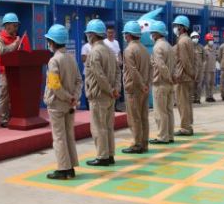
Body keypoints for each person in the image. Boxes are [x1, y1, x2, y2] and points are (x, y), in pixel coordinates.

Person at [43, 24, 83, 180]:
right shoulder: (71, 58)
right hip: (70, 105)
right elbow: (79, 80)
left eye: (49, 41)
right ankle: (70, 167)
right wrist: (74, 97)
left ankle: (63, 169)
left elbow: (54, 85)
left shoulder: (54, 60)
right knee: (69, 136)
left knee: (59, 137)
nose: (48, 43)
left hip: (57, 105)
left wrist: (68, 97)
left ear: (53, 42)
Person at [84, 19, 121, 166]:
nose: (87, 36)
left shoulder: (94, 52)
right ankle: (110, 154)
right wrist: (116, 89)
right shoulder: (110, 51)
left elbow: (99, 75)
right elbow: (118, 71)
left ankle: (102, 156)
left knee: (98, 127)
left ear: (93, 35)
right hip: (110, 96)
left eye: (88, 34)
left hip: (99, 95)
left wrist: (110, 90)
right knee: (108, 127)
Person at [121, 21, 152, 154]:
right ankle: (144, 143)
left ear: (128, 35)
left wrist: (141, 85)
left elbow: (132, 71)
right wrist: (147, 84)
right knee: (143, 116)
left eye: (125, 34)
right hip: (144, 88)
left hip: (134, 88)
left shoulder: (129, 50)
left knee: (134, 117)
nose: (124, 36)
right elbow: (150, 69)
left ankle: (136, 144)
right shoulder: (144, 49)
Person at [0, 12, 25, 127]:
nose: (16, 28)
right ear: (7, 26)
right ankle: (4, 119)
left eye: (17, 25)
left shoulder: (16, 38)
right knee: (4, 96)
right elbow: (2, 51)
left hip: (16, 72)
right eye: (14, 25)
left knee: (15, 96)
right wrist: (15, 45)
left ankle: (14, 117)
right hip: (5, 72)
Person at [149, 21, 176, 145]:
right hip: (169, 84)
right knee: (169, 110)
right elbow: (173, 64)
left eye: (152, 33)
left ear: (156, 34)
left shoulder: (157, 47)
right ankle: (170, 135)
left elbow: (161, 66)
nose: (151, 35)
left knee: (160, 112)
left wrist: (168, 77)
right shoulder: (169, 46)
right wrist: (172, 78)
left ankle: (162, 136)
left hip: (161, 83)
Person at [173, 15, 195, 136]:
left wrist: (190, 73)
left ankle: (185, 127)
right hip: (187, 76)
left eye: (176, 26)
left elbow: (185, 60)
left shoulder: (182, 41)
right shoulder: (188, 40)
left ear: (182, 28)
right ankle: (188, 125)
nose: (175, 28)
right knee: (186, 102)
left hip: (182, 77)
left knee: (182, 103)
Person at [202, 33, 217, 102]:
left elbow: (216, 56)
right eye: (209, 40)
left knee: (212, 83)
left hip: (213, 68)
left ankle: (211, 96)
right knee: (207, 84)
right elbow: (203, 59)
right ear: (207, 41)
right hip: (207, 69)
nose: (211, 41)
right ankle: (207, 97)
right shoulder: (205, 49)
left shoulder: (214, 48)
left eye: (212, 40)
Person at [191, 31, 205, 104]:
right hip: (192, 69)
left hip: (200, 69)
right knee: (192, 84)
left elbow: (204, 58)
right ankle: (192, 98)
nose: (195, 38)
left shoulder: (201, 47)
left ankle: (198, 98)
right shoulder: (189, 47)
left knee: (199, 85)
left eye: (196, 37)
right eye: (194, 37)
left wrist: (202, 66)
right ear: (191, 38)